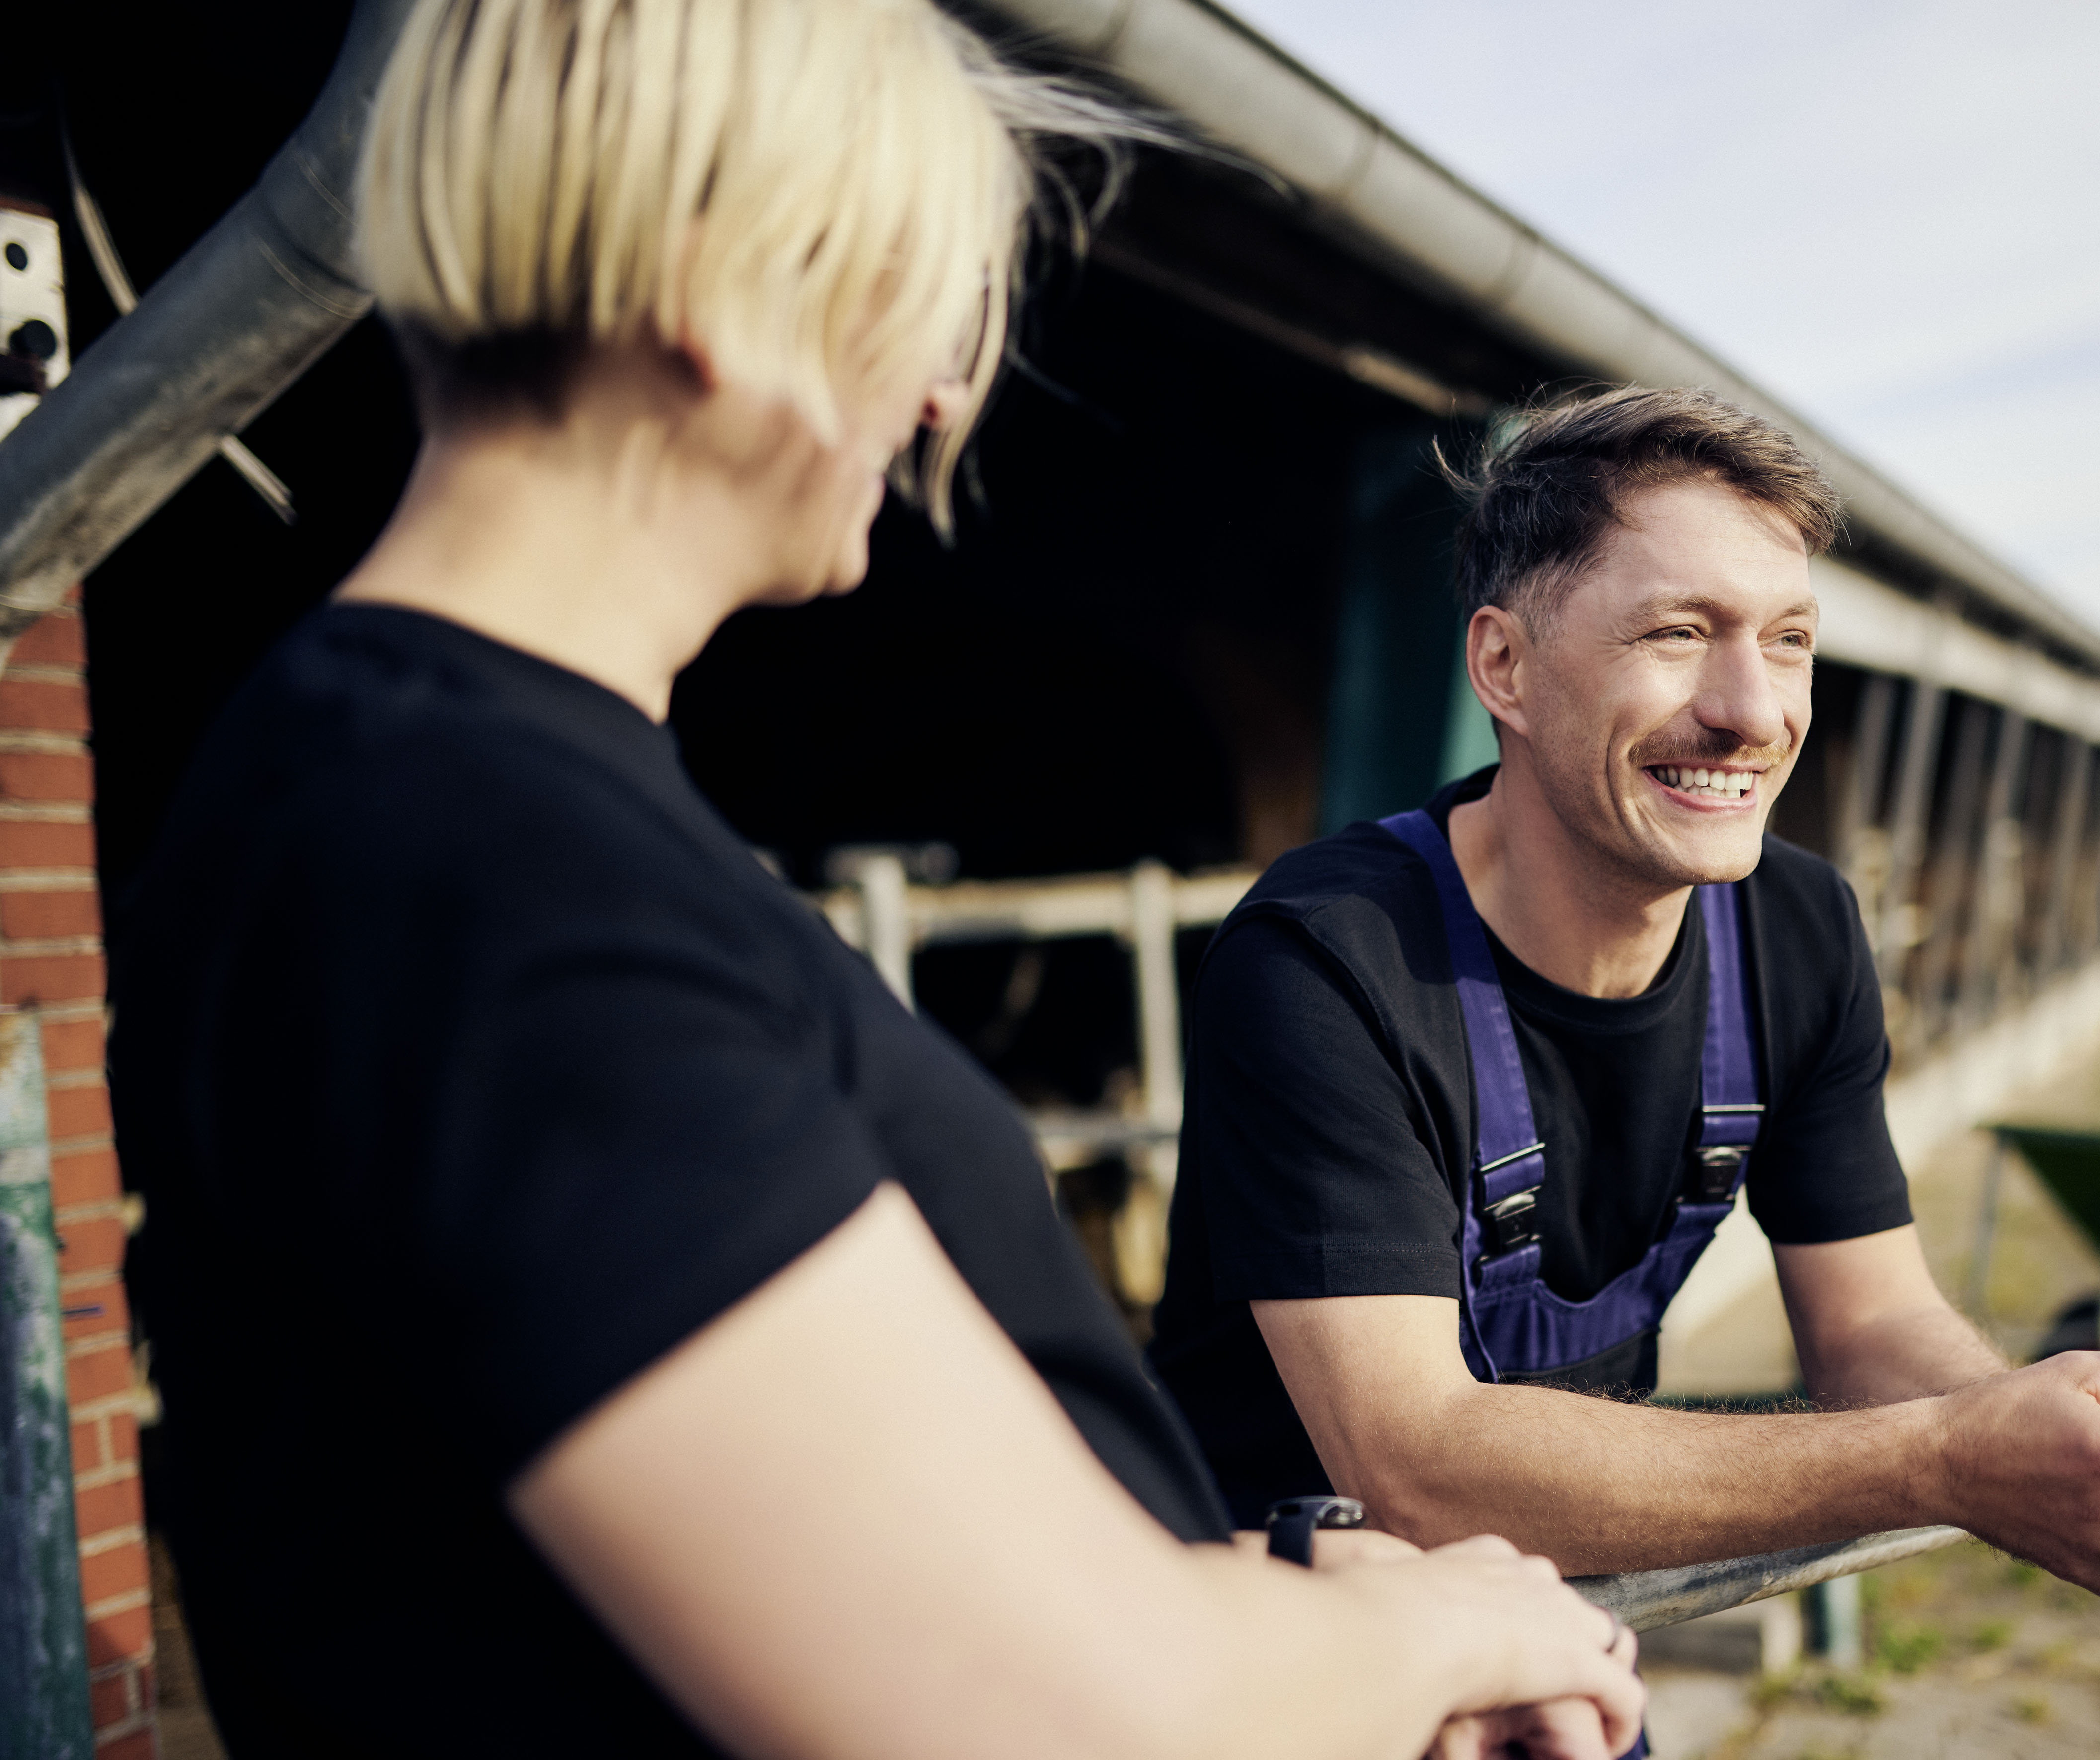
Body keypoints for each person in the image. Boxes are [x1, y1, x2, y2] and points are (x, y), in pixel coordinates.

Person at [106, 2, 1645, 1755]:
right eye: (914, 307)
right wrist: (1433, 1623)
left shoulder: (449, 802)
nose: (930, 398)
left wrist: (1300, 1633)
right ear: (715, 278)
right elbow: (1051, 1722)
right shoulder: (479, 856)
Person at [1149, 386, 2100, 1611]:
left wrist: (2056, 1421)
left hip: (1556, 1632)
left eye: (1788, 638)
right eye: (1679, 633)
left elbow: (1872, 1321)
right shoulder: (1326, 960)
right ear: (1505, 666)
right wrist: (1953, 1457)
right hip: (1268, 1647)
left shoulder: (1799, 930)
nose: (1754, 711)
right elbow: (1417, 1459)